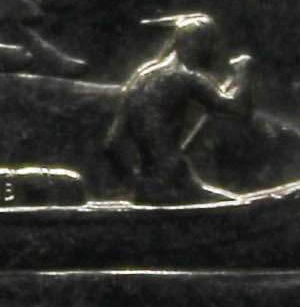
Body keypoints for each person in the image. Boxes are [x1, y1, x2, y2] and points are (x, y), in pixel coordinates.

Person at [107, 12, 253, 203]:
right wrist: (242, 73)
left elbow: (112, 143)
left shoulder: (141, 77)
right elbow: (236, 109)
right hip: (175, 181)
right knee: (239, 207)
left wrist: (132, 184)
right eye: (210, 45)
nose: (213, 52)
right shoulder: (186, 77)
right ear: (200, 46)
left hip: (145, 185)